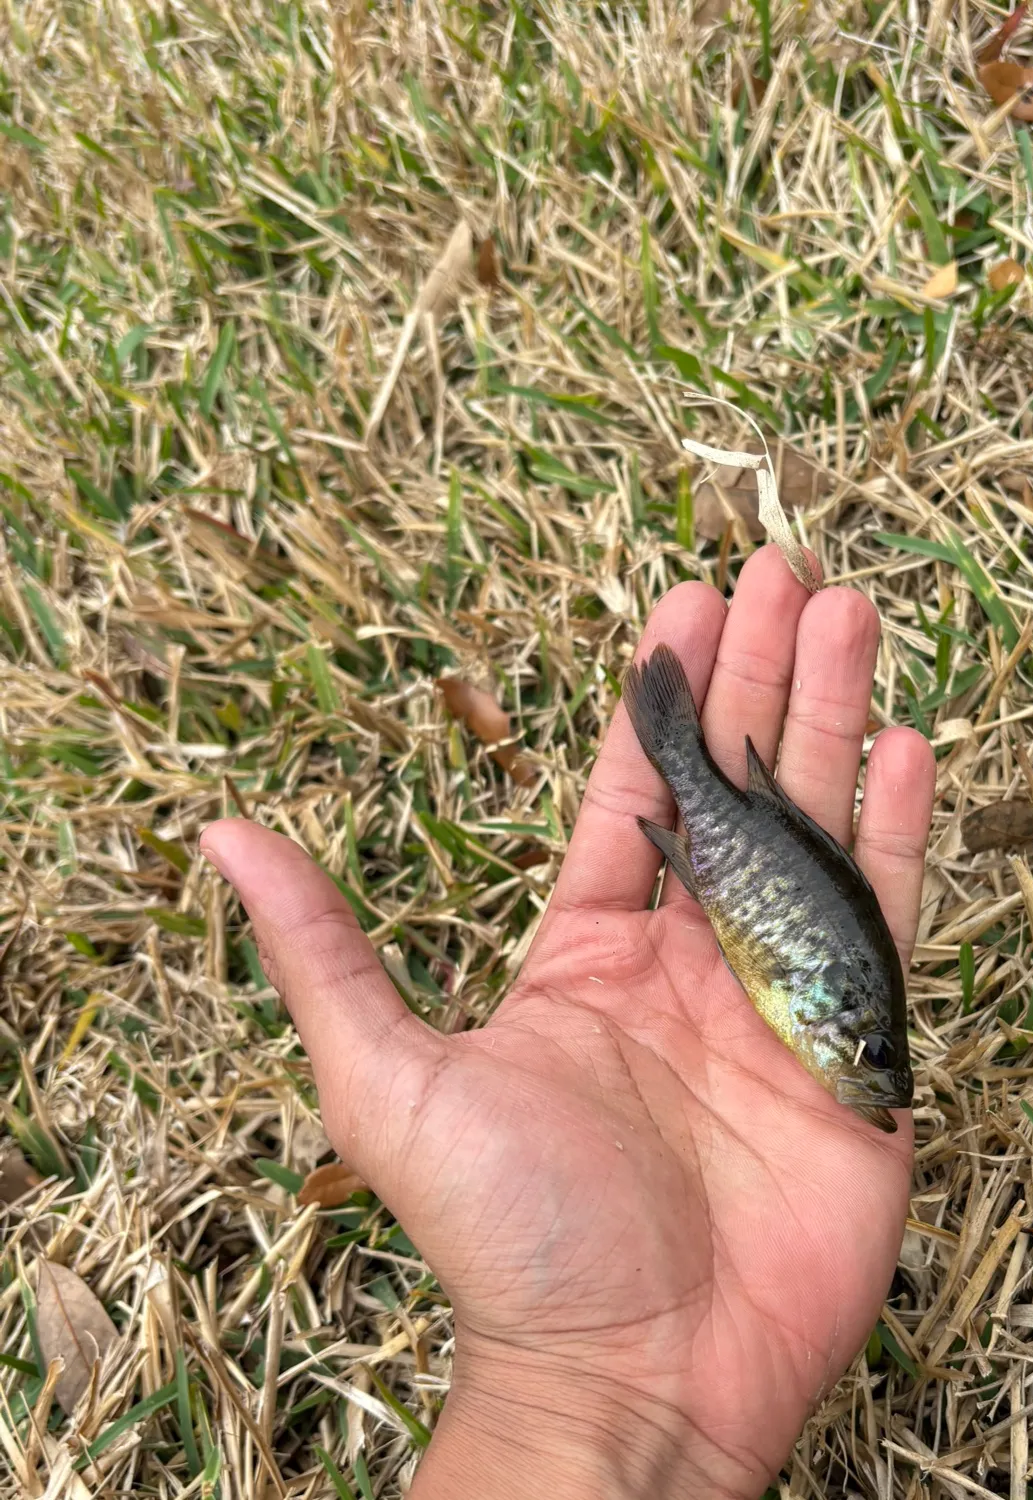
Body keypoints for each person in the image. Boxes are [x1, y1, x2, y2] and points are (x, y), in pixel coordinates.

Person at [201, 546, 936, 1499]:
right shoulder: (826, 996)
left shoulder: (836, 1008)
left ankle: (681, 753)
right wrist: (574, 1382)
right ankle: (679, 749)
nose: (875, 1074)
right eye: (874, 1051)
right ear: (842, 1016)